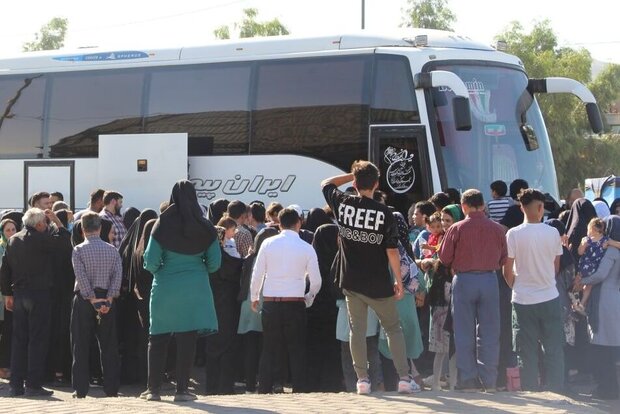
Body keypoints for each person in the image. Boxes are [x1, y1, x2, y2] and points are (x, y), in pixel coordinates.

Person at [321, 160, 418, 395]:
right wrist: (398, 280)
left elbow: (326, 183)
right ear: (377, 183)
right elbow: (392, 250)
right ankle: (404, 378)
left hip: (351, 281)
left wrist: (351, 176)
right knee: (393, 328)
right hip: (378, 283)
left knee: (357, 330)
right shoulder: (385, 213)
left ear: (355, 182)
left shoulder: (342, 203)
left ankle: (362, 380)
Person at [140, 180, 221, 402]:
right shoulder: (206, 226)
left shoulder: (161, 224)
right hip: (196, 289)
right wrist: (197, 266)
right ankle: (182, 391)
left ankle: (153, 390)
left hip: (165, 289)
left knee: (157, 340)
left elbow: (150, 263)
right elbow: (215, 264)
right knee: (188, 340)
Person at [438, 189, 507, 392]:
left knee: (463, 331)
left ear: (463, 206)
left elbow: (444, 258)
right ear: (483, 205)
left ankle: (468, 380)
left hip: (464, 280)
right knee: (490, 332)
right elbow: (504, 258)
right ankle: (490, 381)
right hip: (489, 280)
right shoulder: (497, 229)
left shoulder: (456, 228)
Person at [0, 208, 70, 397]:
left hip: (19, 294)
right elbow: (65, 240)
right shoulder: (43, 239)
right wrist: (57, 219)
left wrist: (7, 294)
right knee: (37, 341)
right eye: (45, 223)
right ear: (39, 224)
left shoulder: (14, 239)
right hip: (39, 295)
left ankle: (15, 385)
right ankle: (33, 384)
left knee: (19, 341)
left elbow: (4, 268)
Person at [250, 208, 321, 393]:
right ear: (299, 223)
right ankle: (299, 388)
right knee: (297, 348)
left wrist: (254, 296)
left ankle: (265, 388)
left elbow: (258, 273)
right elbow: (316, 280)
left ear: (279, 224)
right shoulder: (307, 247)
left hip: (272, 302)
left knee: (269, 347)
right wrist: (309, 297)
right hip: (296, 302)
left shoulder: (268, 243)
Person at [503, 189, 564, 392]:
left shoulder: (513, 234)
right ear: (540, 208)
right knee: (554, 348)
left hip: (522, 300)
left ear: (521, 207)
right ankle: (556, 390)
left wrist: (516, 286)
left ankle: (531, 391)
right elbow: (555, 266)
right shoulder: (553, 233)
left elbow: (507, 269)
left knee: (525, 350)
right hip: (549, 296)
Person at [70, 212, 123, 398]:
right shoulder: (112, 250)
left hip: (85, 300)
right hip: (107, 299)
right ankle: (111, 388)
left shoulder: (78, 250)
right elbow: (117, 276)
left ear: (83, 229)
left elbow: (81, 276)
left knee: (81, 344)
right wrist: (108, 299)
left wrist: (92, 299)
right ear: (100, 228)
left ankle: (81, 389)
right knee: (109, 345)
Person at [575, 215, 620, 399]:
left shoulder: (611, 251)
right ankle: (609, 387)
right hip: (613, 298)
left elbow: (601, 274)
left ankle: (607, 388)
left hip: (604, 301)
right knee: (608, 348)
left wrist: (582, 282)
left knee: (603, 348)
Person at [237, 227, 279, 393]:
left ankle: (249, 385)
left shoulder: (249, 258)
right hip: (266, 304)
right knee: (267, 348)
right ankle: (265, 384)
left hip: (247, 305)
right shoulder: (272, 258)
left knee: (250, 348)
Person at [0, 218, 18, 380]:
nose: (11, 233)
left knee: (9, 332)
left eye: (13, 229)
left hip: (12, 297)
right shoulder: (1, 248)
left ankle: (7, 365)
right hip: (2, 298)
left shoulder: (18, 245)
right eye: (7, 230)